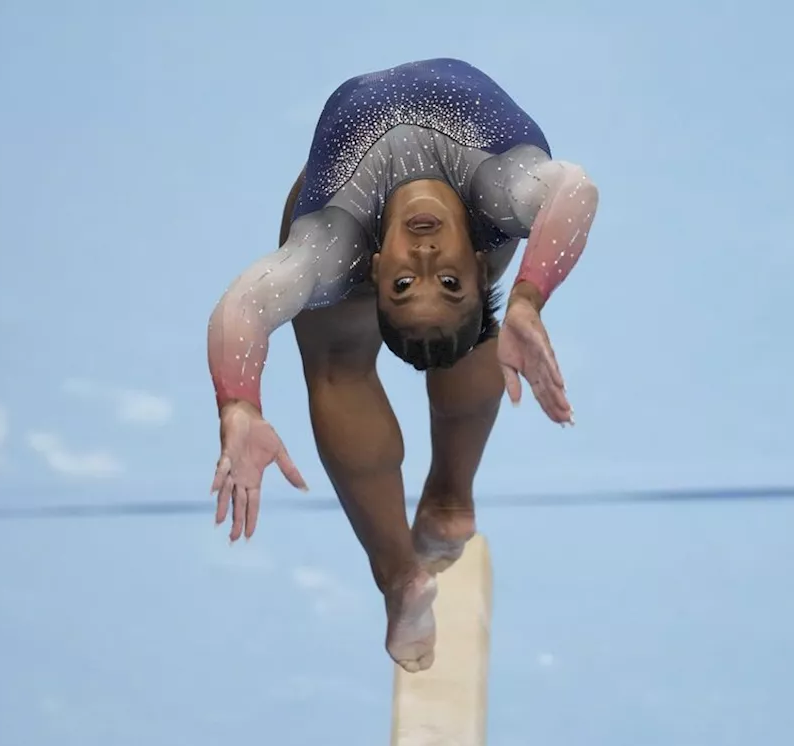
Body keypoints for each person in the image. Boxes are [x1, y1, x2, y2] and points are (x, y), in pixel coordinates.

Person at [207, 58, 598, 672]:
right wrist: (526, 299)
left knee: (337, 366)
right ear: (476, 258)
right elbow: (574, 187)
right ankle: (445, 510)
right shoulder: (500, 192)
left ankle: (399, 576)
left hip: (345, 211)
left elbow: (244, 304)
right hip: (458, 227)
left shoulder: (334, 248)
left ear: (374, 274)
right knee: (459, 338)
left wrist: (238, 404)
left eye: (405, 283)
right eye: (447, 280)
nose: (422, 255)